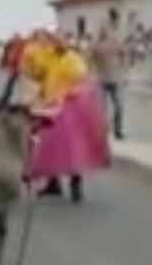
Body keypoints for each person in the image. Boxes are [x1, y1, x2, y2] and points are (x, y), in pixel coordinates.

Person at [23, 33, 110, 203]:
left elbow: (83, 82)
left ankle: (75, 185)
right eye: (53, 41)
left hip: (69, 109)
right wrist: (29, 62)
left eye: (58, 41)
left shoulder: (73, 59)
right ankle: (52, 183)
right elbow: (39, 74)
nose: (55, 44)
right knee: (48, 146)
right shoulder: (49, 57)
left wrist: (69, 94)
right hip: (50, 106)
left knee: (71, 148)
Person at [91, 25, 127, 140]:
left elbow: (124, 54)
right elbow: (91, 60)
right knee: (102, 107)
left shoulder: (116, 42)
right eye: (102, 30)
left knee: (119, 106)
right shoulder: (96, 45)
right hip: (102, 79)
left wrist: (124, 71)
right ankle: (103, 130)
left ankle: (117, 130)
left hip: (115, 79)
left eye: (105, 30)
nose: (103, 32)